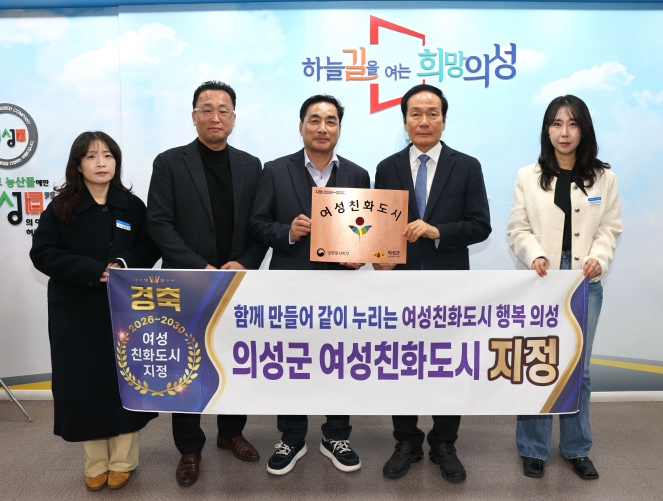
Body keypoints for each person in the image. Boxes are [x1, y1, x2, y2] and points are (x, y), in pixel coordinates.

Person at [146, 81, 267, 486]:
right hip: (186, 282)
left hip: (236, 281)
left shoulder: (251, 165)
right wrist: (201, 266)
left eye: (223, 109)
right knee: (186, 364)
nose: (216, 117)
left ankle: (231, 432)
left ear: (234, 117)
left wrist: (245, 262)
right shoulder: (169, 163)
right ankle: (189, 446)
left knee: (234, 357)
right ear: (194, 115)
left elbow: (259, 224)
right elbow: (159, 224)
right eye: (207, 109)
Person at [30, 131, 160, 491]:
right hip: (76, 309)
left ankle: (123, 461)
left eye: (108, 155)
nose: (101, 163)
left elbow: (150, 246)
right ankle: (96, 463)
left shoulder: (132, 206)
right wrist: (92, 270)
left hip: (125, 307)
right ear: (78, 164)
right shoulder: (61, 207)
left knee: (125, 380)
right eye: (91, 156)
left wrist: (122, 262)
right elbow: (43, 253)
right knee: (84, 383)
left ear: (116, 161)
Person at [373, 84, 491, 482]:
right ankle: (406, 440)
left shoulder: (467, 166)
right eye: (416, 114)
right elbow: (379, 226)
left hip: (449, 283)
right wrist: (378, 258)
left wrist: (437, 230)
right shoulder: (387, 168)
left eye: (432, 113)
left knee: (447, 363)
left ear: (443, 119)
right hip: (400, 284)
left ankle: (444, 443)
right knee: (402, 363)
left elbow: (480, 225)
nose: (424, 121)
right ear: (404, 120)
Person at [250, 94, 370, 475]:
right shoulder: (274, 170)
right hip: (290, 285)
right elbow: (257, 224)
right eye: (314, 120)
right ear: (301, 126)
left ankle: (336, 435)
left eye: (330, 121)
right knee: (293, 360)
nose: (322, 128)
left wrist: (361, 253)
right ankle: (292, 436)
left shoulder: (358, 175)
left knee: (340, 359)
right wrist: (288, 232)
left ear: (339, 128)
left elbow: (366, 231)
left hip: (341, 287)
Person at [507, 95, 622, 480]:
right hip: (540, 282)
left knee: (579, 372)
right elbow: (518, 229)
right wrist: (535, 254)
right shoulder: (528, 176)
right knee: (538, 365)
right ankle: (533, 447)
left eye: (572, 124)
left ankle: (576, 448)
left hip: (584, 284)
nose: (564, 132)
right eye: (556, 124)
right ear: (547, 130)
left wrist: (599, 258)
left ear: (583, 129)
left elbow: (610, 228)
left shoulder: (604, 178)